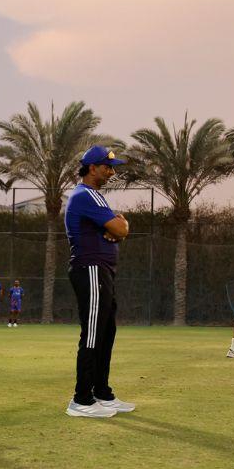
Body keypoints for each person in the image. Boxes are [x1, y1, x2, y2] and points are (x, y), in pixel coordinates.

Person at [63, 145, 136, 418]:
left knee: (106, 333)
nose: (111, 171)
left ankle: (102, 393)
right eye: (107, 166)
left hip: (102, 271)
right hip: (90, 269)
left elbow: (120, 229)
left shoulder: (95, 196)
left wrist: (119, 229)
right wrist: (118, 228)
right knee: (93, 334)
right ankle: (81, 400)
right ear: (91, 167)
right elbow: (119, 228)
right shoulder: (85, 195)